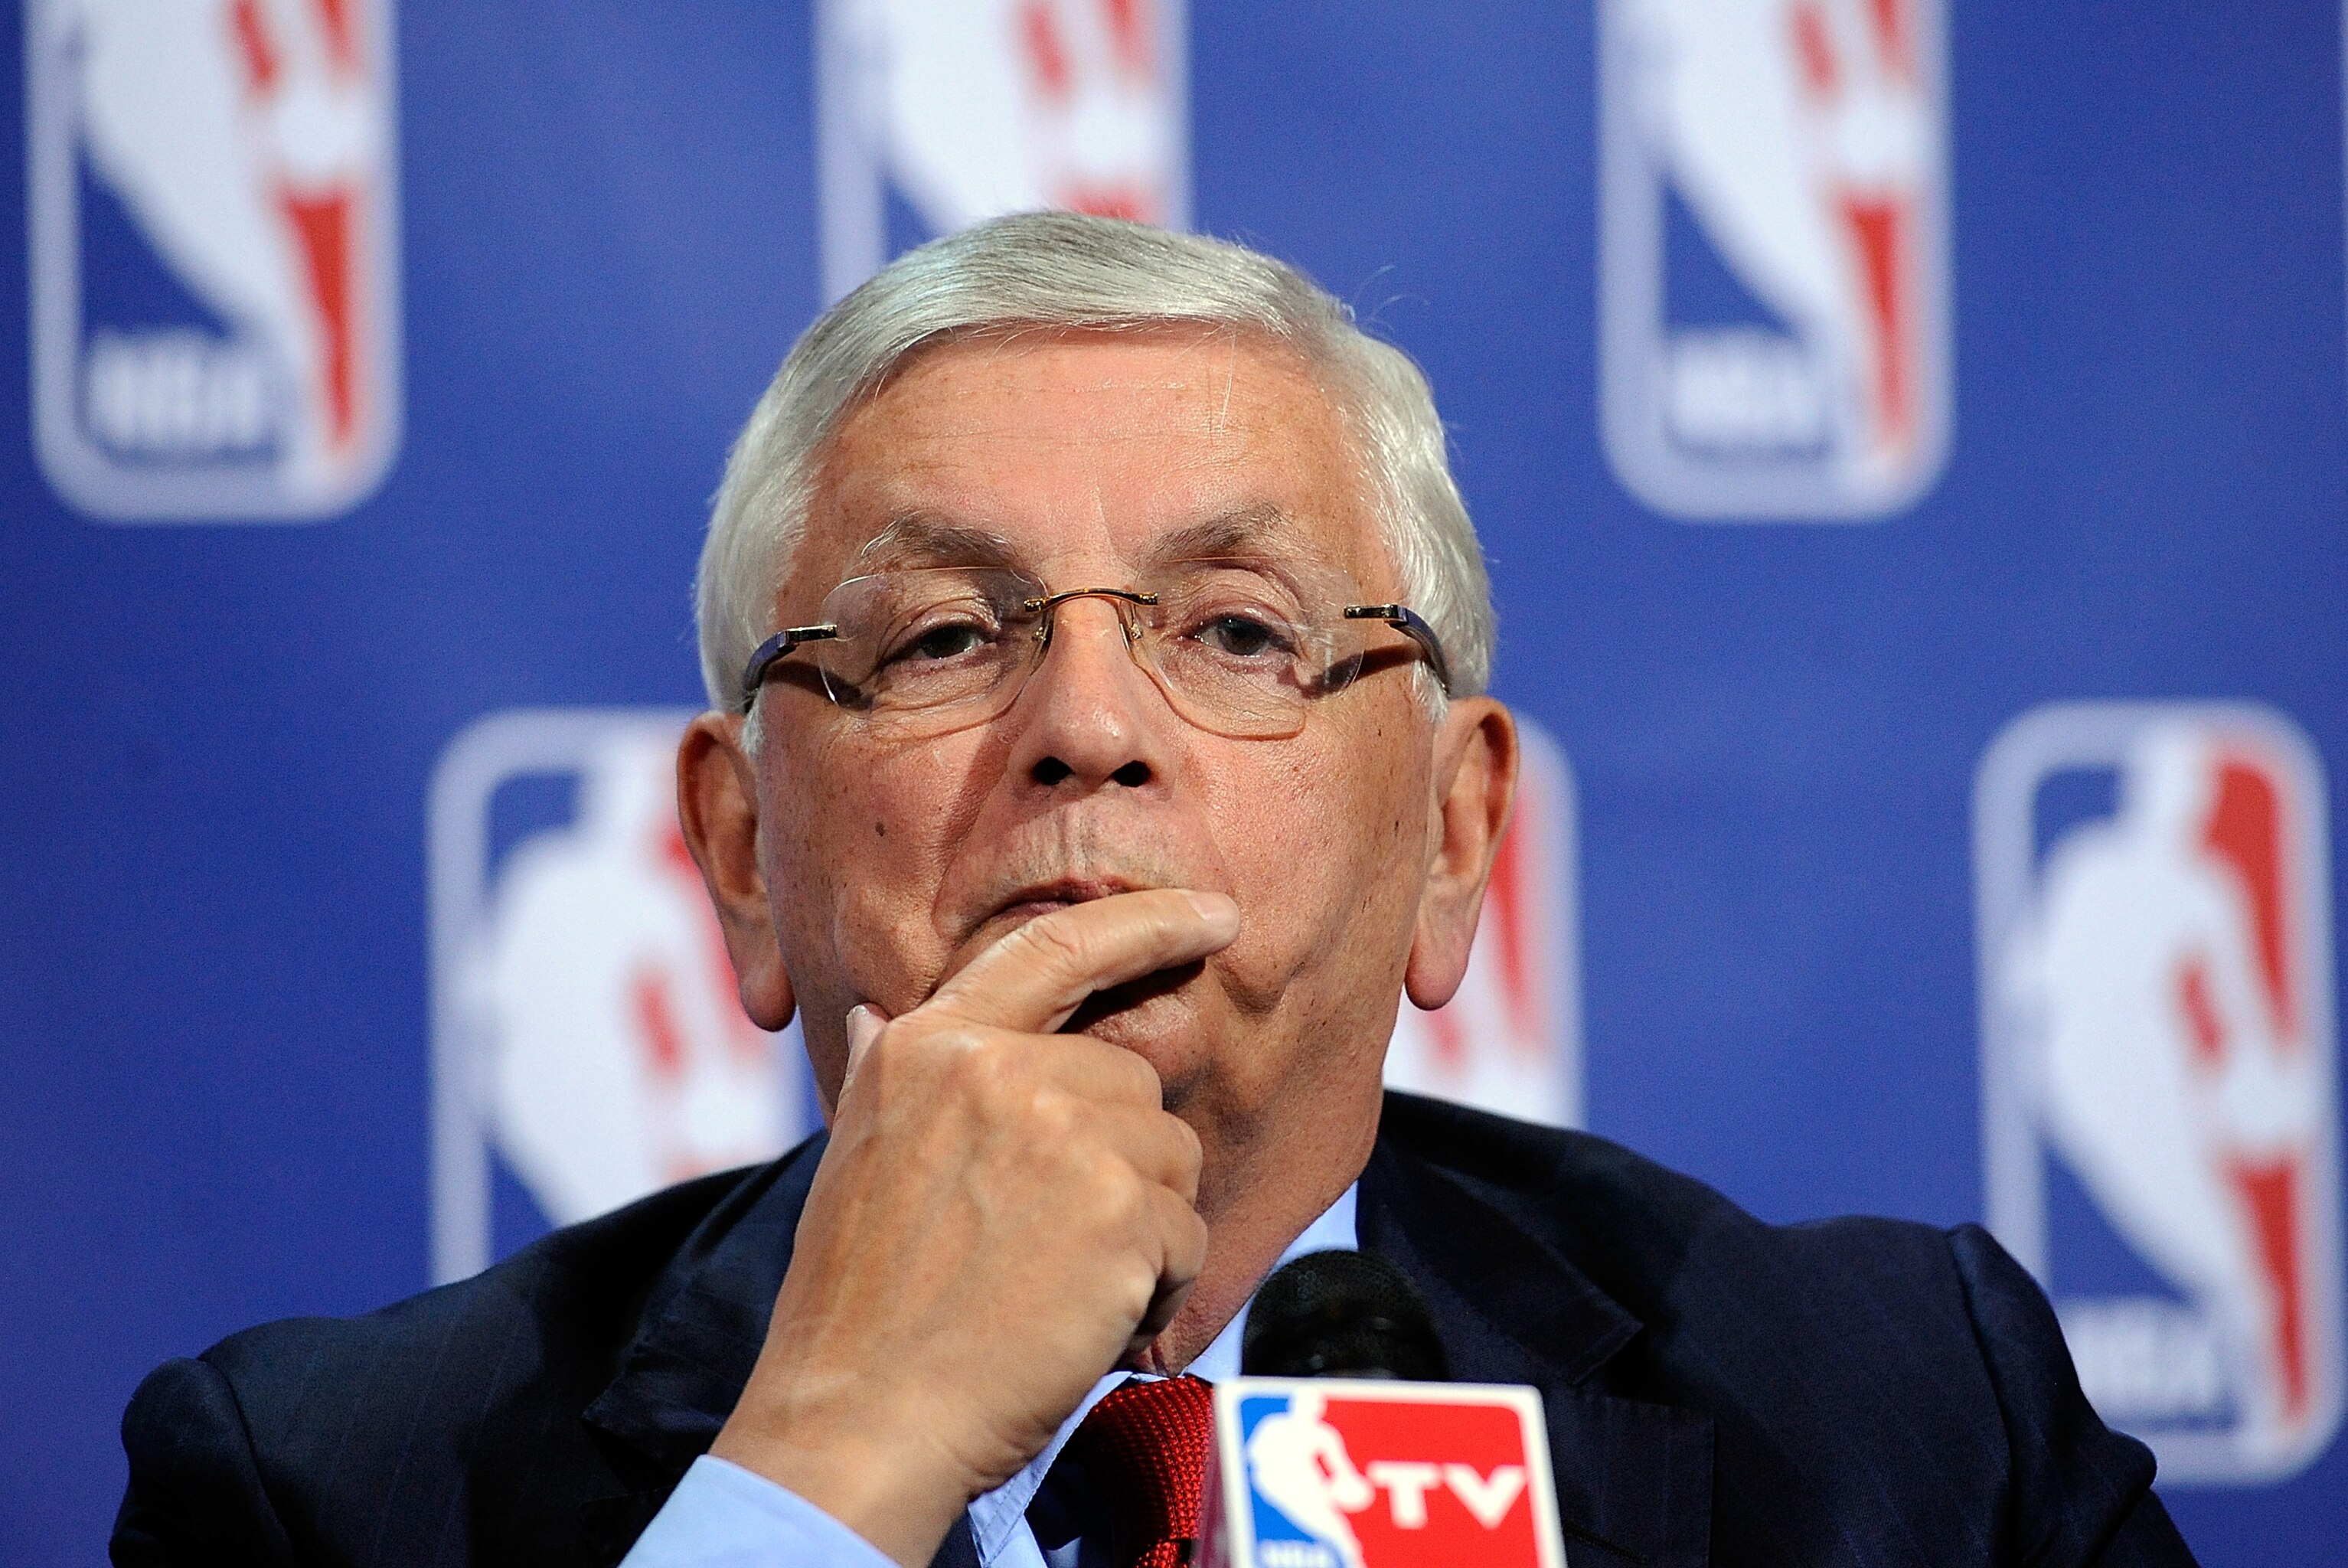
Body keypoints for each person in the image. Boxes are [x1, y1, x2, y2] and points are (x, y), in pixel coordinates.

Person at [112, 213, 2197, 1568]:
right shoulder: (327, 1487)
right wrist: (823, 1466)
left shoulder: (1908, 1427)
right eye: (939, 640)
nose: (1086, 728)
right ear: (746, 855)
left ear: (1453, 839)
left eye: (1234, 632)